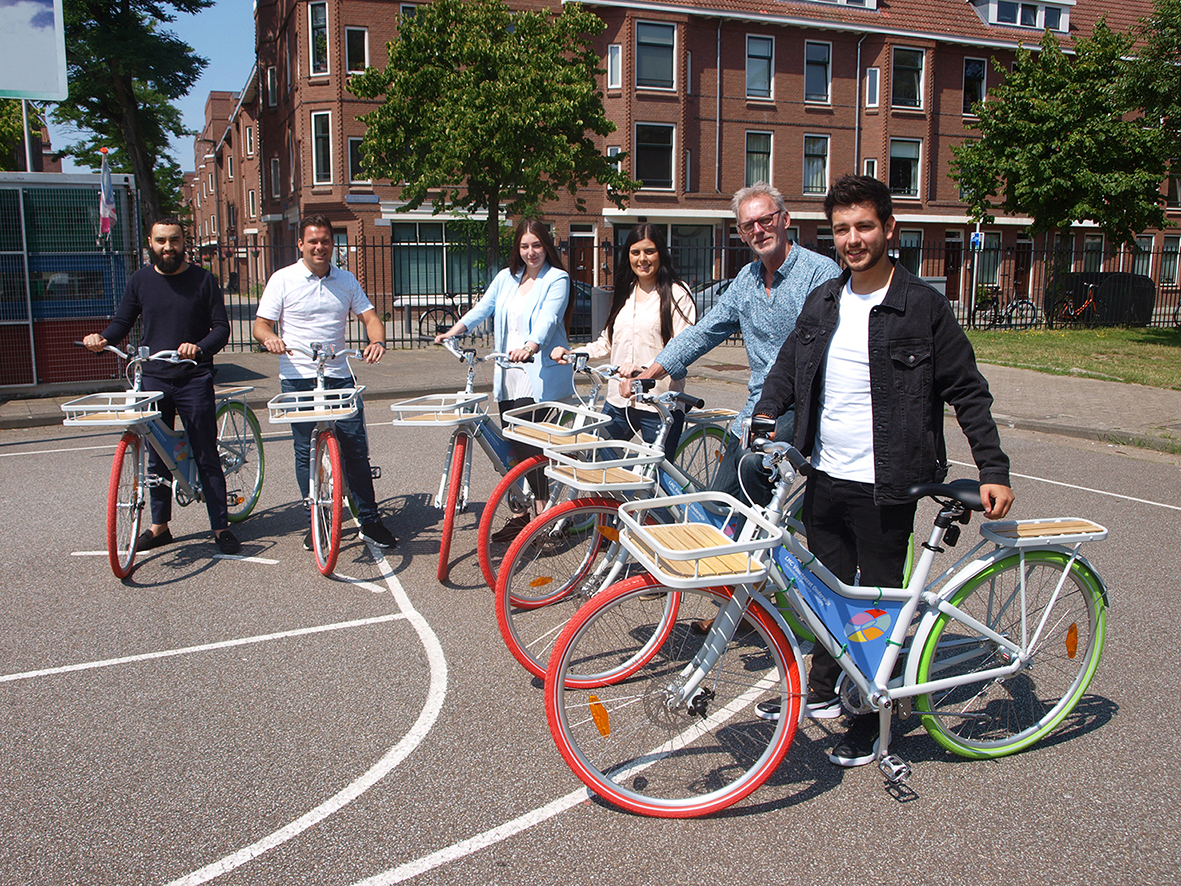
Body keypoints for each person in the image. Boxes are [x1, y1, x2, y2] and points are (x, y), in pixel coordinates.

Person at [753, 174, 1015, 766]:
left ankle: (871, 718)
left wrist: (993, 468)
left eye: (864, 226)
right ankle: (826, 688)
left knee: (874, 606)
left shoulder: (922, 306)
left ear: (889, 229)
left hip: (887, 484)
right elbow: (789, 366)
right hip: (824, 475)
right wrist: (767, 413)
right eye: (842, 229)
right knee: (825, 594)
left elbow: (968, 391)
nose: (853, 239)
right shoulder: (824, 300)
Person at [624, 183, 840, 511]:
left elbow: (824, 352)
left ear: (785, 219)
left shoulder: (820, 273)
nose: (758, 230)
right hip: (759, 405)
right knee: (718, 502)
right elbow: (705, 331)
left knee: (753, 466)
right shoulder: (746, 279)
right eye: (748, 225)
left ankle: (762, 538)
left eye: (766, 220)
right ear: (740, 234)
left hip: (805, 405)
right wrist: (651, 372)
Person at [83, 217, 240, 555]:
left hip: (193, 376)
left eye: (174, 240)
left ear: (184, 243)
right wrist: (103, 339)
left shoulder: (204, 280)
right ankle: (160, 526)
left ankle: (220, 527)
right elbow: (122, 322)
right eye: (161, 241)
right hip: (153, 377)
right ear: (151, 244)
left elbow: (220, 328)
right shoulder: (140, 281)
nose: (168, 247)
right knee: (156, 454)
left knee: (205, 450)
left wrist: (199, 348)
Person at [252, 214, 398, 551]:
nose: (320, 247)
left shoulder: (346, 280)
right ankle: (317, 518)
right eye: (313, 241)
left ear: (333, 244)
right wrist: (270, 338)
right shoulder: (282, 279)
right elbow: (261, 325)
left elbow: (370, 318)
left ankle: (369, 519)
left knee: (355, 448)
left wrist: (377, 341)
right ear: (300, 244)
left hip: (338, 375)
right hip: (298, 376)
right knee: (305, 451)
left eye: (325, 241)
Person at [435, 219, 574, 541]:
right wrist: (453, 332)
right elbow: (482, 308)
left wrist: (530, 346)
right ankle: (519, 515)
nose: (531, 252)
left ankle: (542, 516)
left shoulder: (557, 278)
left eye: (536, 245)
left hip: (537, 372)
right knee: (510, 447)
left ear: (546, 246)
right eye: (524, 246)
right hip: (508, 372)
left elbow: (549, 318)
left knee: (530, 448)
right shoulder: (506, 278)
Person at [551, 224, 696, 453]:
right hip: (619, 399)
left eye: (649, 251)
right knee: (599, 460)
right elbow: (607, 342)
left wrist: (644, 370)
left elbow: (682, 349)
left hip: (658, 403)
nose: (642, 259)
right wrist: (574, 353)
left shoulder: (677, 293)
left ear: (661, 254)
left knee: (655, 472)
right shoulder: (624, 292)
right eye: (635, 252)